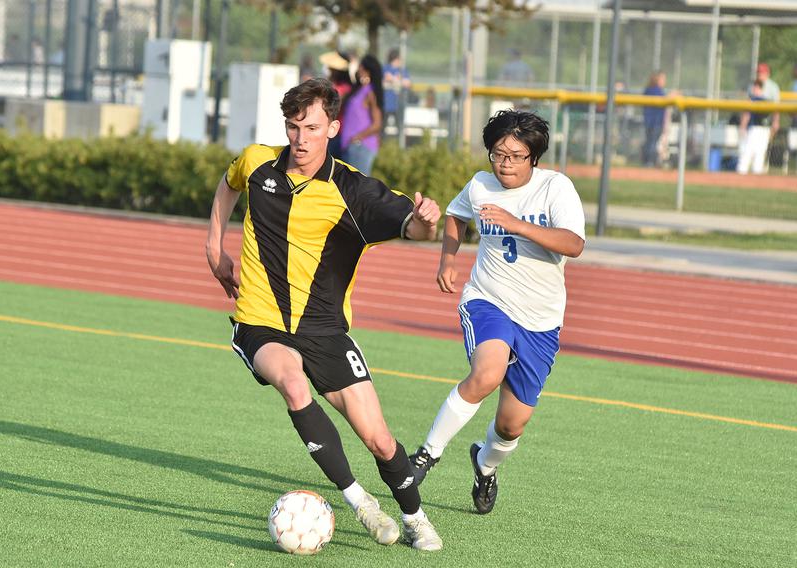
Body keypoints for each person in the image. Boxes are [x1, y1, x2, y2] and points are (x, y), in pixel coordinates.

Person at [206, 78, 444, 550]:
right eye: (293, 127)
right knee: (292, 384)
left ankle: (415, 516)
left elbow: (412, 228)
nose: (300, 139)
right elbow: (228, 184)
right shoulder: (257, 162)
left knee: (379, 439)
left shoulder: (353, 190)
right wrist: (214, 248)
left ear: (333, 127)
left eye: (311, 128)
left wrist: (426, 221)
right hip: (261, 320)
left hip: (325, 329)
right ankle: (361, 503)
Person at [408, 110, 585, 515]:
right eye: (497, 154)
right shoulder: (480, 185)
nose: (504, 164)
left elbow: (573, 244)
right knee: (487, 373)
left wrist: (517, 224)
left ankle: (484, 465)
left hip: (541, 320)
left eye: (515, 156)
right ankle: (427, 454)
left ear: (533, 158)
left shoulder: (555, 188)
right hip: (488, 299)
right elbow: (456, 215)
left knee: (511, 426)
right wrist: (447, 261)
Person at [340, 54, 384, 175]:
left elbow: (377, 123)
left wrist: (357, 137)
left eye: (360, 66)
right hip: (350, 146)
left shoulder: (370, 93)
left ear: (367, 70)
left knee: (357, 188)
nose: (358, 69)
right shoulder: (358, 89)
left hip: (360, 146)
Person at [737, 63, 780, 175]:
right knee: (747, 149)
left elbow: (776, 108)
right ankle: (741, 173)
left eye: (761, 72)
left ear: (767, 73)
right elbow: (747, 108)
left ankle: (757, 176)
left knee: (761, 151)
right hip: (752, 124)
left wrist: (775, 122)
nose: (759, 74)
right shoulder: (752, 85)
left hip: (765, 124)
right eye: (758, 72)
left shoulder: (773, 87)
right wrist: (743, 124)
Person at [320, 50, 353, 159]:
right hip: (329, 132)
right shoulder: (333, 84)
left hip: (338, 133)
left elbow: (333, 106)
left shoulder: (345, 87)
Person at [641, 71, 668, 167]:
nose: (664, 81)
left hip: (649, 121)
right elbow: (665, 100)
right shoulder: (656, 90)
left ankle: (647, 162)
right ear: (657, 80)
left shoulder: (648, 89)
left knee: (650, 142)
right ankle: (649, 162)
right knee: (652, 143)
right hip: (655, 122)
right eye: (662, 79)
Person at [382, 49, 411, 136]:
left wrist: (393, 79)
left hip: (398, 104)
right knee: (382, 128)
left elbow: (407, 83)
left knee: (400, 128)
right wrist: (397, 80)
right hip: (386, 104)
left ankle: (400, 146)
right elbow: (382, 82)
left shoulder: (402, 70)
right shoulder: (385, 68)